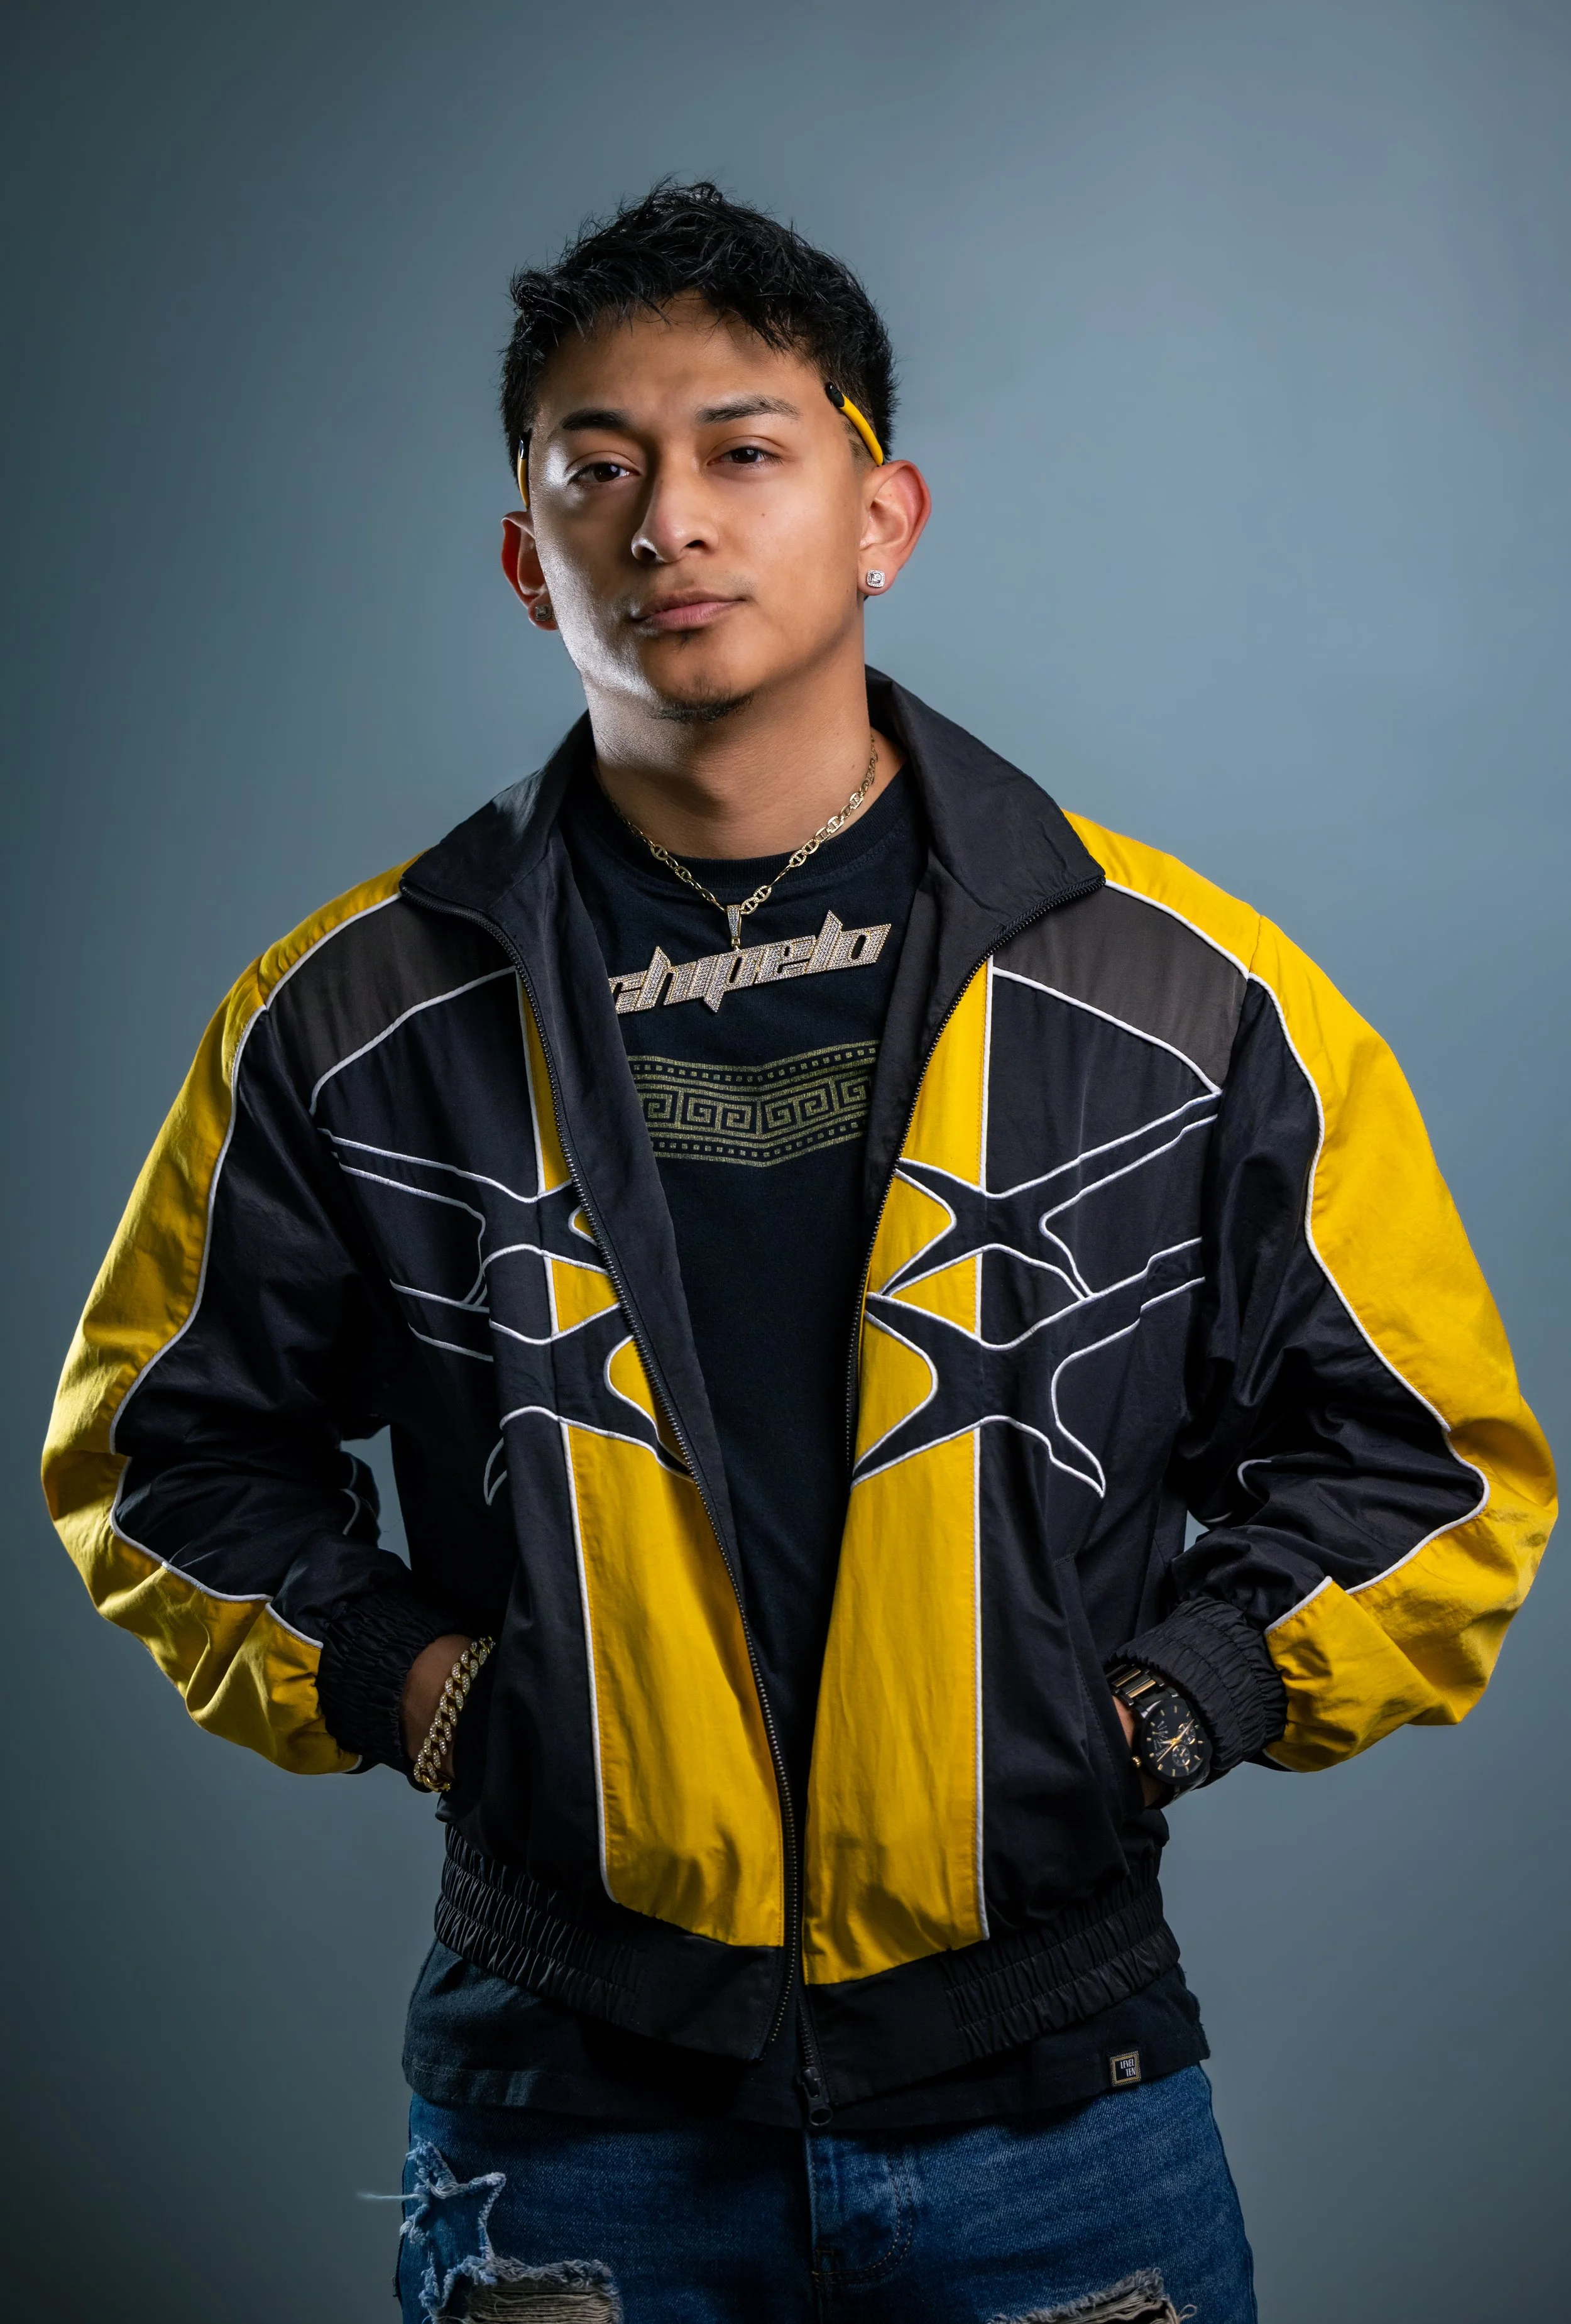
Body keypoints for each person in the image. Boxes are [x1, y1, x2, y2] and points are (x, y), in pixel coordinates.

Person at [43, 182, 1554, 2324]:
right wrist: (430, 1693)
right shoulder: (353, 1016)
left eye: (743, 450)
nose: (668, 520)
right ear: (521, 554)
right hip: (564, 2112)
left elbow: (1430, 1473)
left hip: (1061, 2107)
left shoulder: (1191, 1001)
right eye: (597, 467)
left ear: (880, 515)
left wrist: (1160, 1710)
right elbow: (155, 1465)